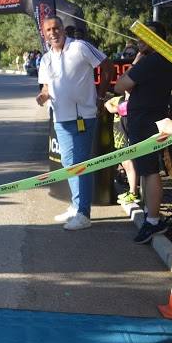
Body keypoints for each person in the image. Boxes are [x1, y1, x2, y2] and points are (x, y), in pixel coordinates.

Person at [36, 16, 112, 231]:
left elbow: (108, 67)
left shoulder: (80, 47)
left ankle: (84, 214)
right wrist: (42, 96)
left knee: (80, 164)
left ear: (63, 29)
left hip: (84, 117)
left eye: (56, 28)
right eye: (49, 30)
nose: (53, 32)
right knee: (69, 164)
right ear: (44, 34)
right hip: (60, 119)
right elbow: (46, 87)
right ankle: (76, 205)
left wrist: (100, 96)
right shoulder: (46, 59)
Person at [115, 21, 172, 243]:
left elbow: (120, 86)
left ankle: (152, 220)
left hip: (145, 121)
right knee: (148, 170)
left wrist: (138, 58)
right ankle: (152, 216)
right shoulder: (166, 60)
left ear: (155, 39)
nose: (139, 42)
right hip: (155, 117)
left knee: (149, 171)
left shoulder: (150, 62)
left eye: (143, 37)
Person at [104, 94, 138, 206]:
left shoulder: (134, 102)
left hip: (128, 139)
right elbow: (108, 103)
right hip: (120, 138)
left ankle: (133, 192)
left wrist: (112, 106)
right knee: (126, 164)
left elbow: (117, 109)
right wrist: (112, 104)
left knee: (129, 164)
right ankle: (132, 191)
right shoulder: (119, 99)